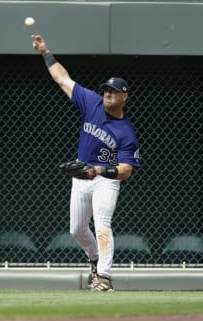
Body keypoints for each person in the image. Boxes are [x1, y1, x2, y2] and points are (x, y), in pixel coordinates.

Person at [31, 34, 140, 292]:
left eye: (113, 91)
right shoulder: (92, 102)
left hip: (105, 180)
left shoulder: (127, 132)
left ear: (125, 96)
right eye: (106, 89)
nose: (107, 93)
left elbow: (126, 171)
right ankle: (94, 260)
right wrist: (46, 52)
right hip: (82, 174)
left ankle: (104, 276)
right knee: (77, 230)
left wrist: (99, 169)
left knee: (102, 225)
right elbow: (62, 79)